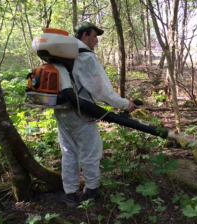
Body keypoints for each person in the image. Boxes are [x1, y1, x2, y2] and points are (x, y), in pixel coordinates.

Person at [54, 22, 138, 207]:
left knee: (69, 152)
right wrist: (125, 105)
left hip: (61, 111)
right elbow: (103, 91)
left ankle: (70, 194)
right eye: (94, 36)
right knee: (91, 150)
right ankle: (91, 190)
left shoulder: (62, 56)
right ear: (85, 35)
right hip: (80, 112)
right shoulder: (84, 57)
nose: (96, 41)